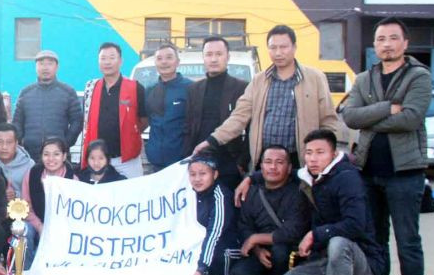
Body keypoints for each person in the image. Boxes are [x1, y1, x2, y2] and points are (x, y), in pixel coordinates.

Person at [341, 17, 432, 275]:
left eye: (393, 38)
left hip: (405, 172)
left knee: (408, 241)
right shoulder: (365, 78)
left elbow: (411, 118)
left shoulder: (419, 76)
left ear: (405, 44)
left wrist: (370, 116)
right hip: (367, 170)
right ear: (375, 45)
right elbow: (350, 116)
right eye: (381, 39)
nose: (387, 44)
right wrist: (385, 108)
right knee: (374, 239)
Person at [270, 129, 383, 275]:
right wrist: (250, 179)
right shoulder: (307, 177)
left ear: (333, 154)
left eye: (320, 152)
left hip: (362, 261)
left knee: (338, 243)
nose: (313, 158)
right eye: (309, 152)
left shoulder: (348, 179)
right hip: (326, 261)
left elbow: (355, 224)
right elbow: (280, 174)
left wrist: (314, 235)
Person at [194, 25, 341, 173]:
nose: (278, 53)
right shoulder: (259, 80)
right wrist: (212, 140)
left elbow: (328, 120)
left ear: (294, 47)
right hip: (265, 161)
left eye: (283, 47)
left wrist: (324, 153)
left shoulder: (315, 79)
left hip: (300, 161)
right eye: (273, 48)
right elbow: (239, 117)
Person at [229, 145, 309, 275]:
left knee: (280, 251)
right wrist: (257, 249)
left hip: (289, 250)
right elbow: (245, 226)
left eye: (279, 162)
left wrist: (255, 239)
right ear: (261, 166)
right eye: (268, 162)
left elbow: (292, 232)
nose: (273, 167)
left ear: (289, 167)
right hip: (262, 251)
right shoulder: (251, 192)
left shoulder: (298, 193)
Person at [183, 36, 249, 190]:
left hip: (229, 161)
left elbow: (250, 128)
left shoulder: (242, 88)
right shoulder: (194, 89)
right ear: (203, 58)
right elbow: (188, 127)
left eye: (219, 54)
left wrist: (242, 162)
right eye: (209, 54)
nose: (214, 59)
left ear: (228, 57)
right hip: (200, 161)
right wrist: (187, 158)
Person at [81, 42, 147, 178]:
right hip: (98, 160)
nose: (107, 62)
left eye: (112, 57)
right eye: (103, 58)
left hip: (127, 159)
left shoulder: (135, 87)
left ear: (121, 61)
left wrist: (129, 132)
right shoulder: (91, 87)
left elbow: (144, 120)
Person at [12, 50, 83, 159]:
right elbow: (17, 121)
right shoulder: (26, 92)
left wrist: (65, 143)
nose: (45, 68)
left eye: (49, 63)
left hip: (58, 156)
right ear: (36, 67)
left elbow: (77, 121)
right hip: (29, 156)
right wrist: (22, 141)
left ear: (57, 67)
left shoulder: (67, 92)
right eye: (41, 64)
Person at [187, 154, 239, 275]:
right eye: (192, 174)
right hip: (208, 241)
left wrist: (201, 269)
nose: (197, 179)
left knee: (219, 250)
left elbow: (215, 234)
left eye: (203, 174)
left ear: (215, 174)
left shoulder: (221, 196)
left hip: (232, 246)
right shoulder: (189, 194)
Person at [21, 137, 78, 268]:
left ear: (64, 156)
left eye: (56, 154)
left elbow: (74, 215)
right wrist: (40, 226)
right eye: (46, 154)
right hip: (36, 223)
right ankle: (26, 273)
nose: (51, 159)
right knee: (23, 230)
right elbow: (26, 206)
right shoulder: (32, 174)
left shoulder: (73, 180)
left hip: (62, 227)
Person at [144, 43, 192, 172]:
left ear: (177, 62)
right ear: (155, 63)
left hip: (182, 163)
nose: (164, 62)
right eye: (159, 59)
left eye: (169, 57)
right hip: (155, 163)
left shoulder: (190, 88)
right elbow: (148, 120)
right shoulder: (150, 90)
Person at [0, 122, 35, 201]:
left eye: (9, 142)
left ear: (16, 143)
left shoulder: (29, 165)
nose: (4, 147)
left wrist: (16, 195)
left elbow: (35, 195)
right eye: (0, 142)